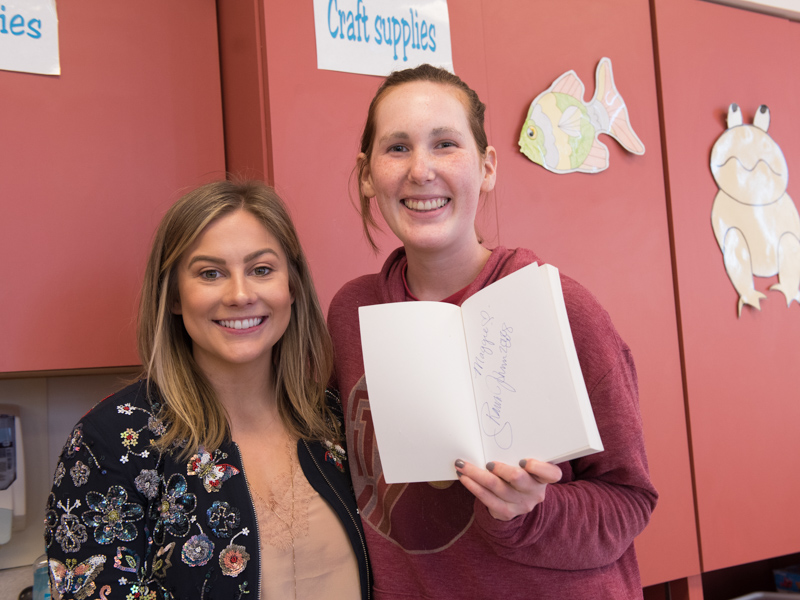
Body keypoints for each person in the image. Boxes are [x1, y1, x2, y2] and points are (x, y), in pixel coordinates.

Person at [327, 65, 658, 599]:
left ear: (487, 168)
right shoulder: (351, 314)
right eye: (396, 148)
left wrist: (532, 511)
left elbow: (629, 501)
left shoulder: (565, 308)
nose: (421, 170)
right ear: (367, 174)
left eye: (445, 144)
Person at [45, 181, 370, 600]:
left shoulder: (335, 421)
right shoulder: (109, 443)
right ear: (175, 296)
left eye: (262, 269)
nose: (240, 294)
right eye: (210, 273)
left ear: (292, 286)